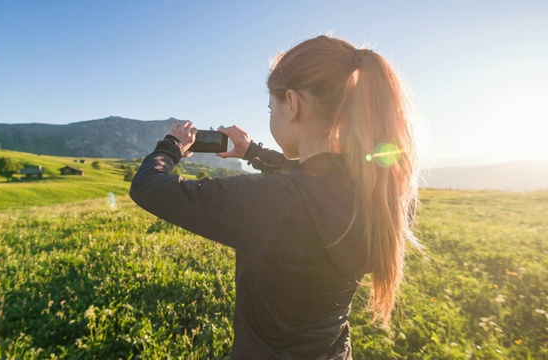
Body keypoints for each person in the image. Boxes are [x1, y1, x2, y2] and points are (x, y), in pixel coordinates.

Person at [130, 35, 419, 359]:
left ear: (293, 104)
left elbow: (148, 187)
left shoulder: (277, 202)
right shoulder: (384, 193)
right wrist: (252, 151)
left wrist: (172, 145)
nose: (271, 116)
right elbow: (316, 177)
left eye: (272, 107)